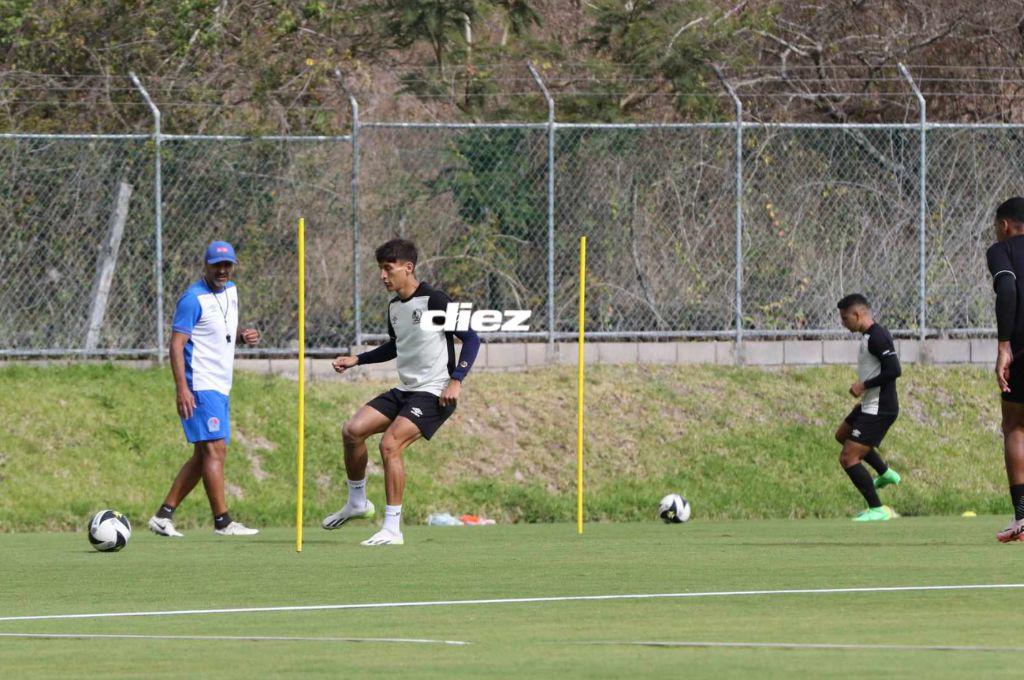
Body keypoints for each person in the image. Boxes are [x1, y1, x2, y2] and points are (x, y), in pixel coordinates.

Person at [323, 238, 481, 546]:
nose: (382, 276)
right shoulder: (395, 307)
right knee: (352, 430)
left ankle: (392, 528)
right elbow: (396, 346)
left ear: (407, 268)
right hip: (406, 390)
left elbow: (472, 339)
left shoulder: (435, 300)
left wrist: (457, 379)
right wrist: (358, 359)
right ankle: (357, 502)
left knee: (390, 444)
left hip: (434, 392)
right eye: (380, 269)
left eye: (388, 269)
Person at [147, 241, 261, 538]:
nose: (222, 270)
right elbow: (176, 344)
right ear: (205, 266)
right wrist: (181, 388)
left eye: (227, 265)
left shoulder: (232, 291)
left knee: (203, 454)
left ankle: (163, 515)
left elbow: (219, 329)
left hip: (221, 384)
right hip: (200, 384)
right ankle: (222, 521)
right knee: (215, 448)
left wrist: (241, 335)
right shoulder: (192, 299)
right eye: (216, 265)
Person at [835, 293, 902, 521]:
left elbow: (894, 370)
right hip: (869, 404)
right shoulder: (868, 336)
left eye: (845, 319)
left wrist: (864, 385)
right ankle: (885, 473)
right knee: (842, 435)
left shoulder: (878, 337)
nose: (843, 324)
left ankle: (877, 509)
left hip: (880, 408)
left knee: (848, 458)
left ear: (857, 314)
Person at [987, 196, 1024, 542]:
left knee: (1015, 425)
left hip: (1022, 348)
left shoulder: (1003, 251)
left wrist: (1004, 346)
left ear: (1005, 225)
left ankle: (1023, 519)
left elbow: (1008, 289)